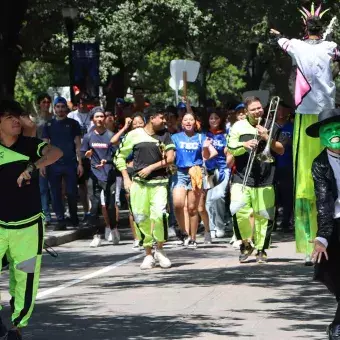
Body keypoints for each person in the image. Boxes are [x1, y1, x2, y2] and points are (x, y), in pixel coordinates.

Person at [271, 3, 339, 264]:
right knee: (330, 173)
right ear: (322, 29)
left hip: (305, 114)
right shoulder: (329, 47)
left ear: (304, 28)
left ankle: (312, 243)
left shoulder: (295, 45)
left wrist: (277, 35)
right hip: (327, 114)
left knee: (307, 180)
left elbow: (279, 40)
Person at [0, 99, 62, 340]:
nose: (16, 120)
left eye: (18, 116)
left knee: (24, 278)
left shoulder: (30, 145)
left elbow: (56, 153)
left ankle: (17, 328)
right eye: (9, 117)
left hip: (28, 226)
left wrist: (33, 167)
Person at [114, 107, 175, 270]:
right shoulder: (134, 135)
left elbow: (170, 158)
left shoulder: (165, 135)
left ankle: (160, 249)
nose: (164, 121)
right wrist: (126, 178)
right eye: (161, 118)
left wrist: (150, 168)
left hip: (160, 183)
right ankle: (148, 254)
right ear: (152, 118)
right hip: (139, 185)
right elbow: (119, 156)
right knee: (141, 218)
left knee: (160, 215)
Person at [227, 96, 284, 263]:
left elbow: (280, 150)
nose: (257, 111)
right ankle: (246, 243)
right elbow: (231, 148)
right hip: (242, 176)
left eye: (259, 108)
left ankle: (261, 249)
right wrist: (243, 146)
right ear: (246, 111)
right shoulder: (238, 126)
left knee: (264, 215)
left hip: (266, 177)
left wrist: (267, 137)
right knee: (238, 210)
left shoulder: (271, 124)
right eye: (253, 109)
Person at [306, 108, 340, 339]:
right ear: (321, 136)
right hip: (336, 225)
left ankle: (337, 327)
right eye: (328, 130)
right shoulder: (320, 164)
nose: (335, 134)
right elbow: (324, 202)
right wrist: (322, 237)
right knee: (332, 275)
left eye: (337, 127)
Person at [171, 112, 217, 248]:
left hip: (196, 173)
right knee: (178, 204)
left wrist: (204, 152)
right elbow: (170, 154)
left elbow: (211, 153)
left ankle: (192, 238)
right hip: (180, 173)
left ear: (195, 123)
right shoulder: (175, 137)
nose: (188, 122)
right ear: (182, 123)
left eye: (191, 119)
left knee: (192, 208)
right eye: (186, 120)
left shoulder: (201, 137)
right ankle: (183, 232)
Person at [81, 107, 120, 247]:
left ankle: (114, 229)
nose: (99, 119)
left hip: (109, 174)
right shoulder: (88, 136)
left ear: (104, 118)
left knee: (110, 206)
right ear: (92, 119)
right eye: (96, 117)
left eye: (101, 116)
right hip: (94, 175)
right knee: (95, 206)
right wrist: (86, 156)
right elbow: (82, 153)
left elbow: (118, 155)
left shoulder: (111, 136)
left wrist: (107, 161)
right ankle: (96, 235)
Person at [42, 97, 83, 229]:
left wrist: (80, 163)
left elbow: (78, 144)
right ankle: (60, 220)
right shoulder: (48, 125)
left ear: (66, 108)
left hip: (70, 163)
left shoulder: (73, 124)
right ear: (54, 109)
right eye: (57, 107)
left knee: (71, 192)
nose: (60, 109)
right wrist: (42, 164)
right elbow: (45, 146)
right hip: (53, 164)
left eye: (62, 106)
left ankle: (74, 217)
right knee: (55, 193)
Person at [204, 109, 232, 238]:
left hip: (223, 169)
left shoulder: (226, 135)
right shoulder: (205, 135)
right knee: (209, 200)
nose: (213, 120)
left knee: (218, 196)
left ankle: (220, 225)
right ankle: (212, 227)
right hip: (208, 171)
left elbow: (229, 153)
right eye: (211, 118)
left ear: (220, 120)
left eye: (216, 118)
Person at [68, 92, 94, 224]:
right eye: (79, 102)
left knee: (91, 185)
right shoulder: (71, 116)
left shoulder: (92, 116)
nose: (82, 104)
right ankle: (86, 212)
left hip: (92, 153)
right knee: (82, 185)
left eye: (85, 102)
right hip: (78, 154)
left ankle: (94, 211)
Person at [275, 102, 294, 232]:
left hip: (287, 164)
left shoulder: (292, 127)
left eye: (283, 109)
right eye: (278, 109)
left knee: (287, 194)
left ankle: (286, 222)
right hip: (272, 165)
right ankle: (273, 221)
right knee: (274, 195)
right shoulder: (269, 127)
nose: (280, 112)